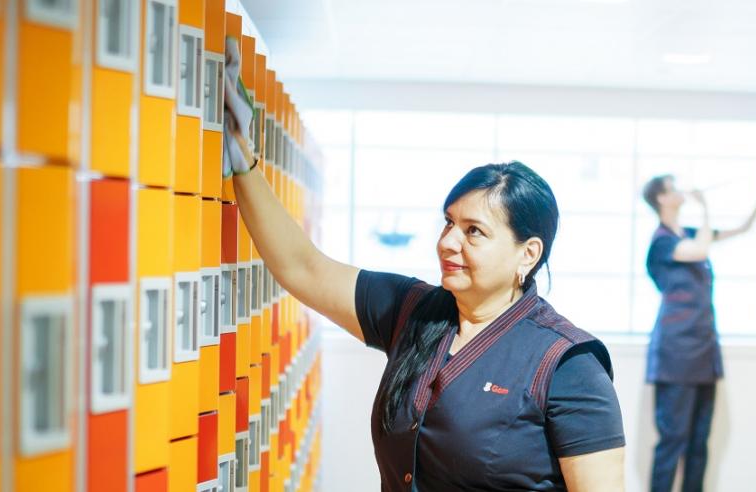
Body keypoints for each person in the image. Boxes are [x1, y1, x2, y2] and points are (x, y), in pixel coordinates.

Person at [221, 55, 625, 491]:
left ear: (527, 254)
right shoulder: (414, 312)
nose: (449, 241)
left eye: (474, 232)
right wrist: (243, 161)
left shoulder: (568, 365)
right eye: (449, 222)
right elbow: (302, 266)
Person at [640, 171, 756, 492]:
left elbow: (742, 229)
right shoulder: (662, 242)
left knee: (700, 441)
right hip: (676, 352)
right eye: (674, 188)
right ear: (661, 198)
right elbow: (700, 251)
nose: (681, 191)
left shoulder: (690, 233)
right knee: (673, 439)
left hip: (703, 350)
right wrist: (706, 206)